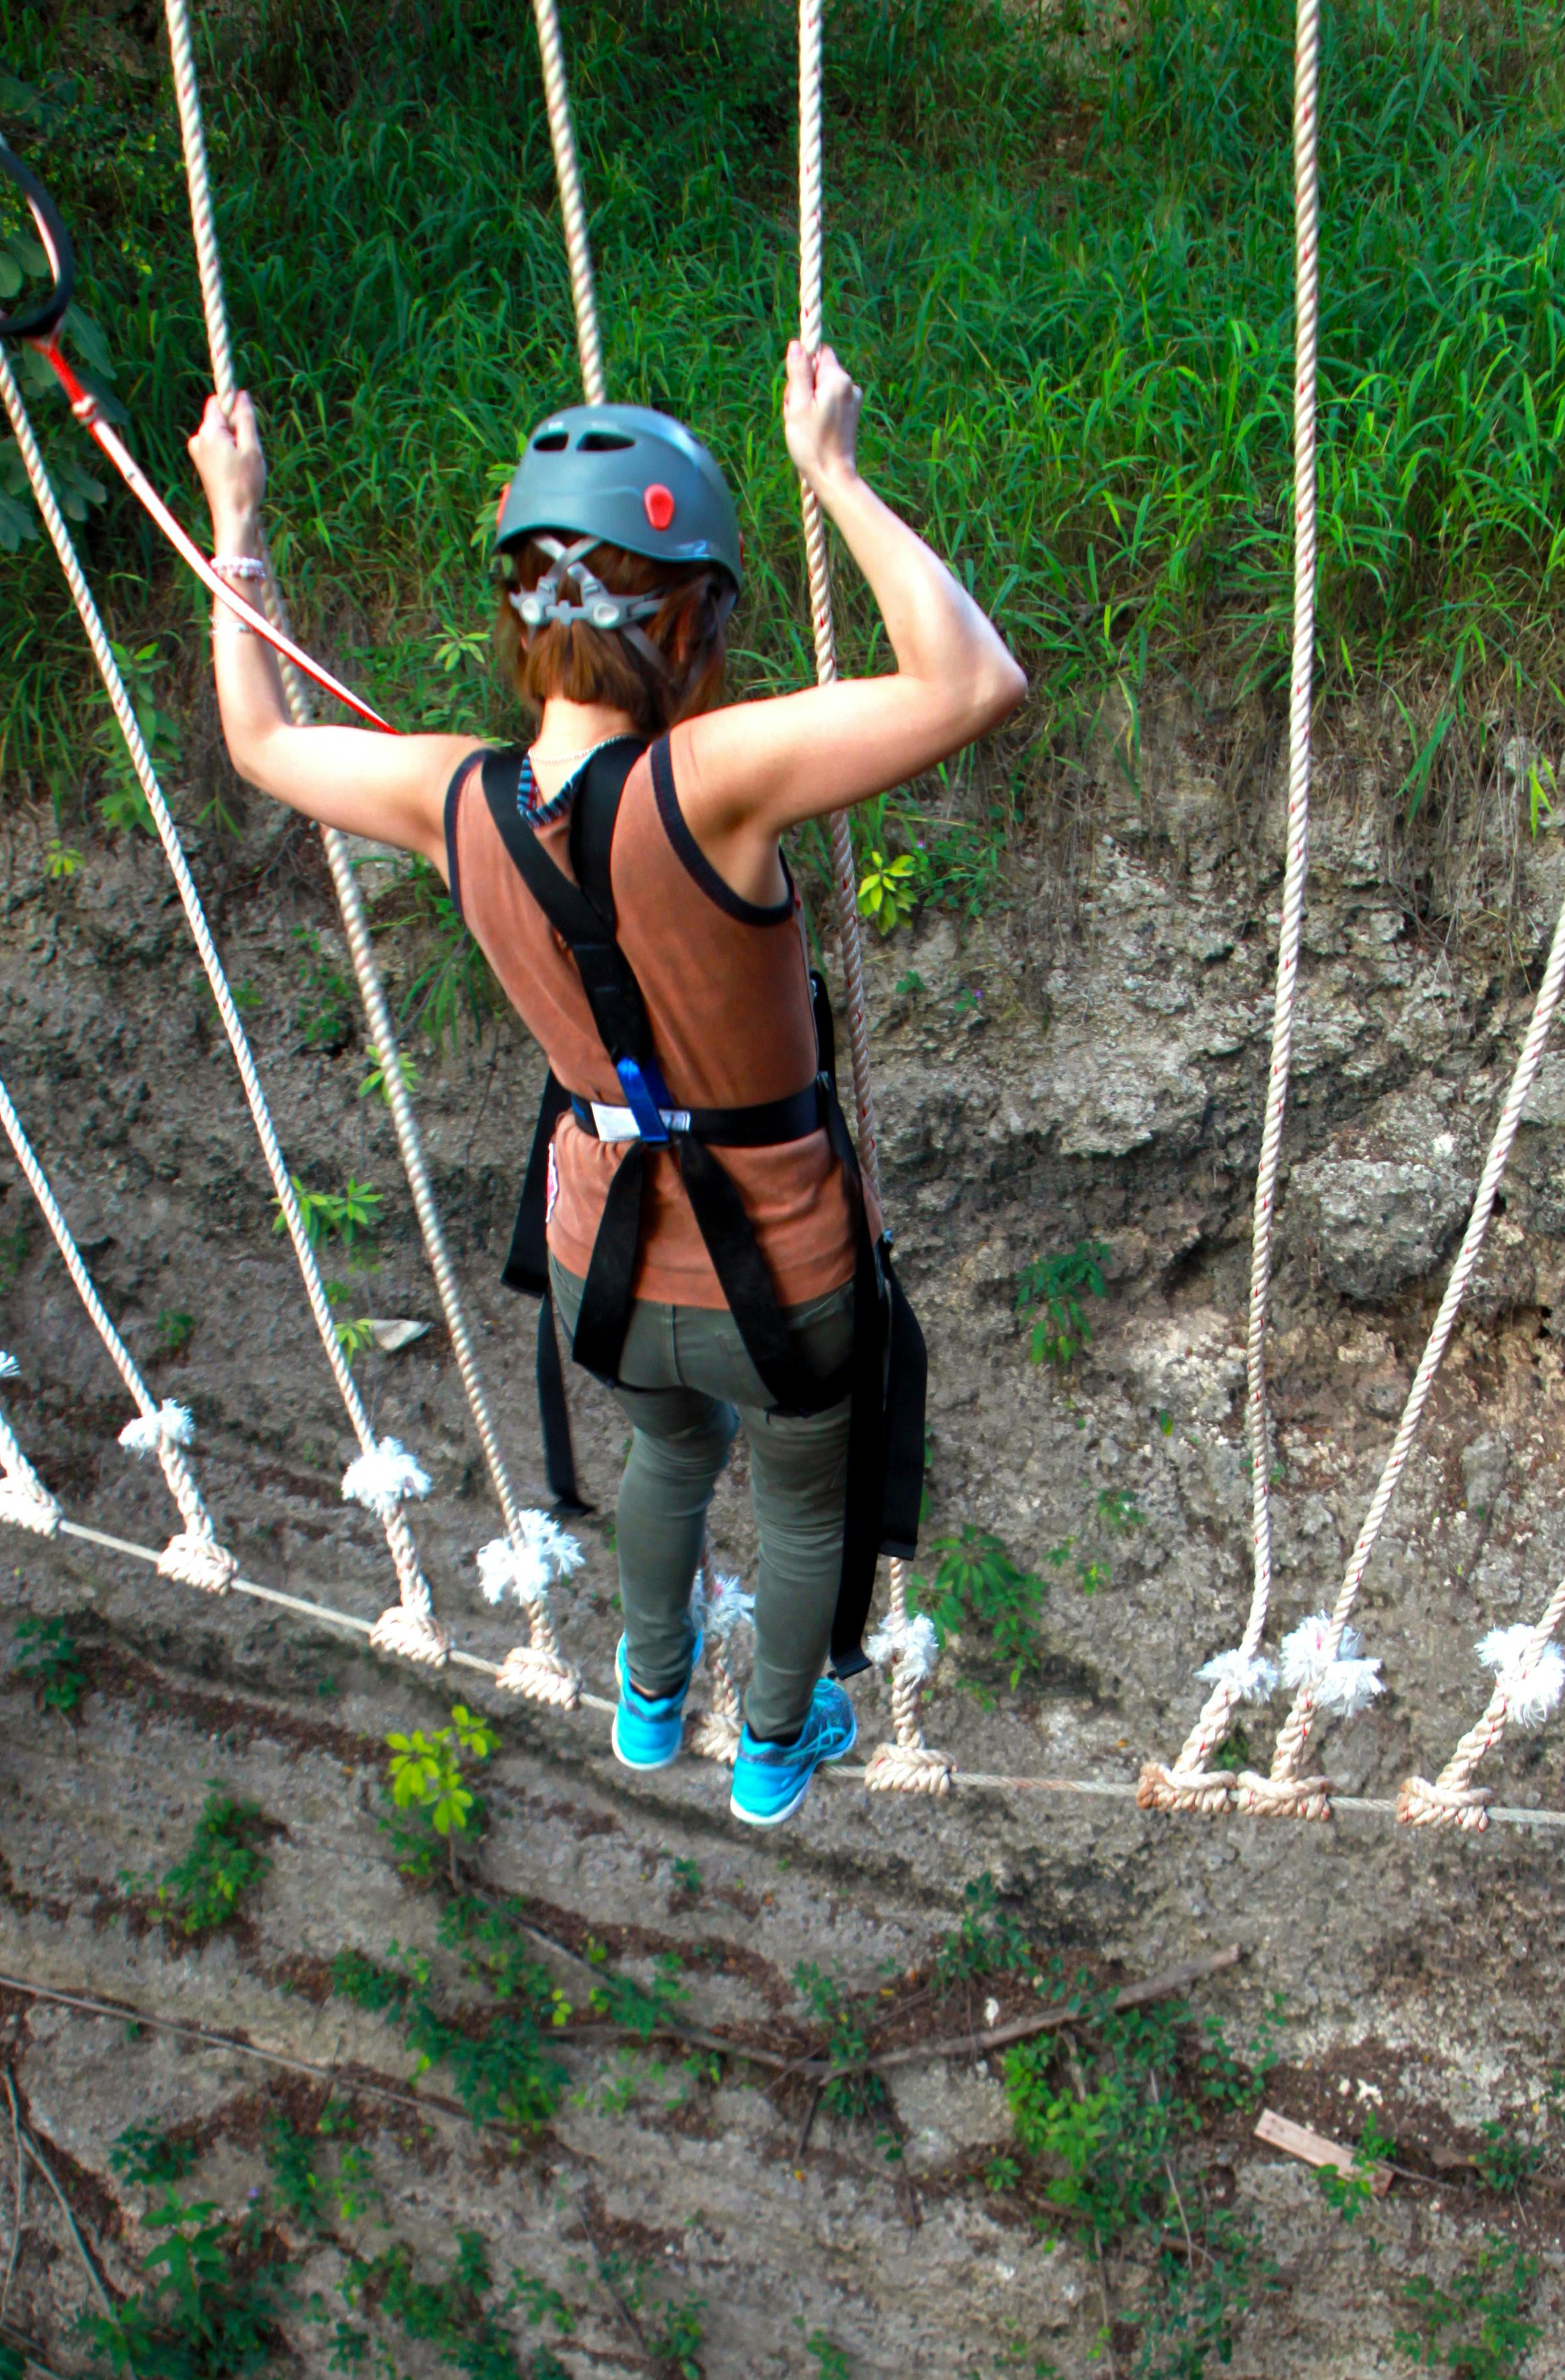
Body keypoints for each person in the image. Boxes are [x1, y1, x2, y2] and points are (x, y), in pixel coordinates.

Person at [188, 342, 1024, 1824]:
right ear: (689, 621)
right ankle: (774, 1744)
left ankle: (651, 1698)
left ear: (522, 620)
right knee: (801, 1494)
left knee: (665, 1452)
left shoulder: (452, 794)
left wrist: (236, 523)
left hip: (606, 1259)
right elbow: (973, 682)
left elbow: (258, 744)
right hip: (783, 1258)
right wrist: (832, 472)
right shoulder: (717, 778)